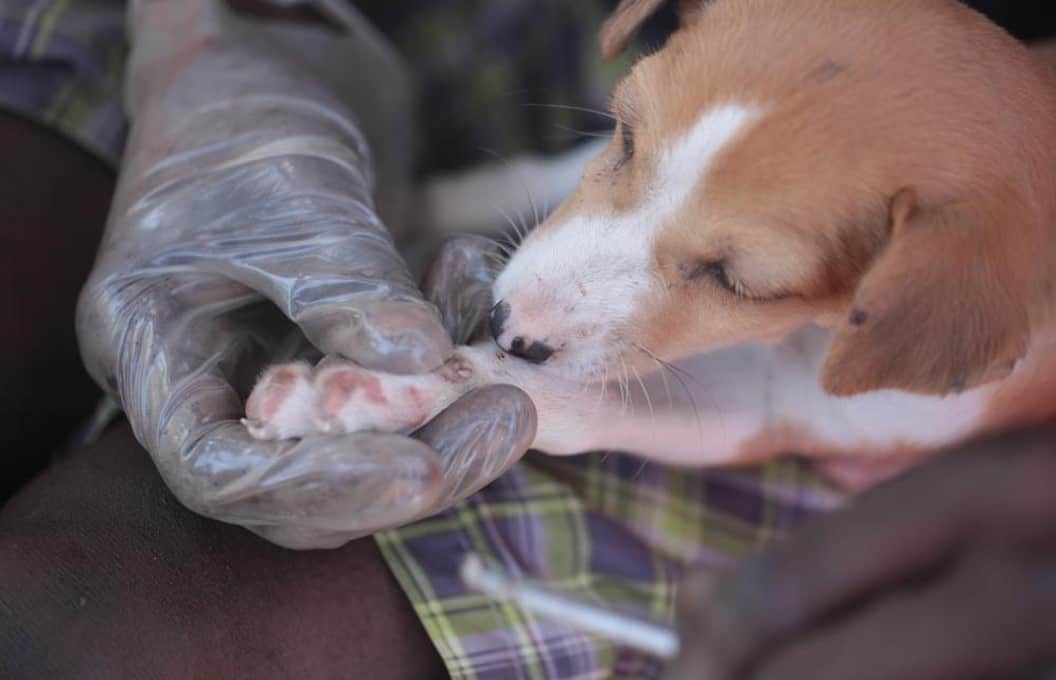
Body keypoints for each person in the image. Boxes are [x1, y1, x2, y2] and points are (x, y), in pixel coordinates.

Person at [0, 2, 1052, 679]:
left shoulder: (968, 290)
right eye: (627, 137)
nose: (533, 296)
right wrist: (205, 40)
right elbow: (707, 169)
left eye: (728, 274)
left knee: (81, 612)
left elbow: (785, 406)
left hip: (986, 480)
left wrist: (505, 384)